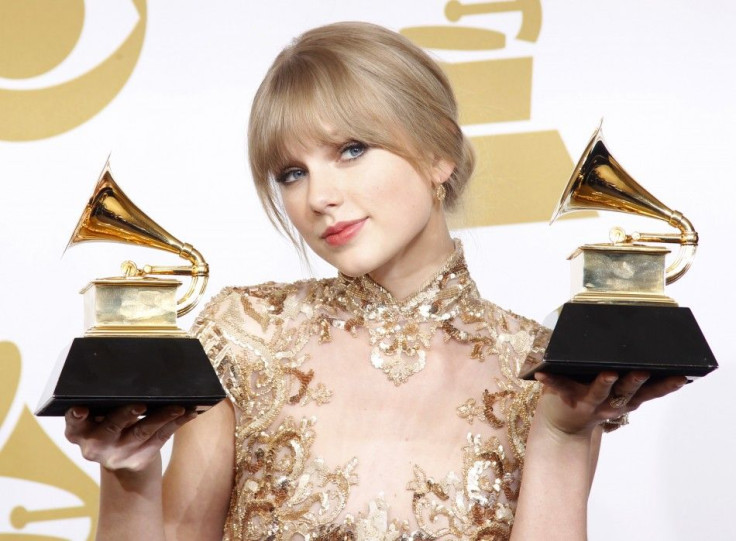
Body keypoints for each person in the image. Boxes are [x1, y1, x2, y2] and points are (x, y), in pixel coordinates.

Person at [64, 21, 686, 540]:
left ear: (439, 152)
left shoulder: (540, 367)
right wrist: (130, 476)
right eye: (290, 173)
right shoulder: (242, 335)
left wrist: (562, 434)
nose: (320, 197)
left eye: (352, 149)